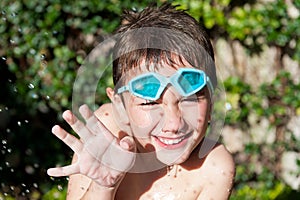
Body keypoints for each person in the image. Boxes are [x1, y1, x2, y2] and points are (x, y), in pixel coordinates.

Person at [47, 3, 235, 200]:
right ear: (120, 106)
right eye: (149, 103)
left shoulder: (213, 168)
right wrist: (103, 187)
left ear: (212, 101)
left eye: (189, 99)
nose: (174, 124)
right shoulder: (106, 131)